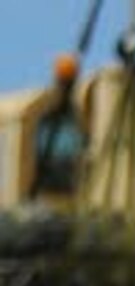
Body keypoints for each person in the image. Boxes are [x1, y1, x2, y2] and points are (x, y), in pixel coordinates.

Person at [30, 53, 88, 200]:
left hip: (67, 185)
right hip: (51, 185)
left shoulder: (75, 118)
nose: (65, 88)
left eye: (68, 84)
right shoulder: (47, 117)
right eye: (64, 83)